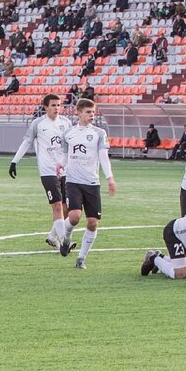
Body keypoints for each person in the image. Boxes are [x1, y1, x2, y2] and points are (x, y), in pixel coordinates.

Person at [55, 99, 116, 269]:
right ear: (79, 113)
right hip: (73, 181)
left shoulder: (99, 133)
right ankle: (66, 239)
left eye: (93, 112)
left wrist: (109, 177)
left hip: (92, 183)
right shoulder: (68, 133)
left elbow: (103, 157)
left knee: (92, 223)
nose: (92, 115)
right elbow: (66, 155)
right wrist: (60, 164)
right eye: (88, 112)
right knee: (74, 217)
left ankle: (81, 258)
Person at [10, 93, 76, 249]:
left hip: (66, 171)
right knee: (57, 206)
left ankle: (52, 237)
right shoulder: (38, 124)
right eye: (53, 105)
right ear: (45, 107)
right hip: (48, 171)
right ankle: (64, 242)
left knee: (67, 209)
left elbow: (71, 144)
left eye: (59, 105)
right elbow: (26, 142)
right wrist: (14, 161)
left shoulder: (66, 123)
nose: (57, 108)